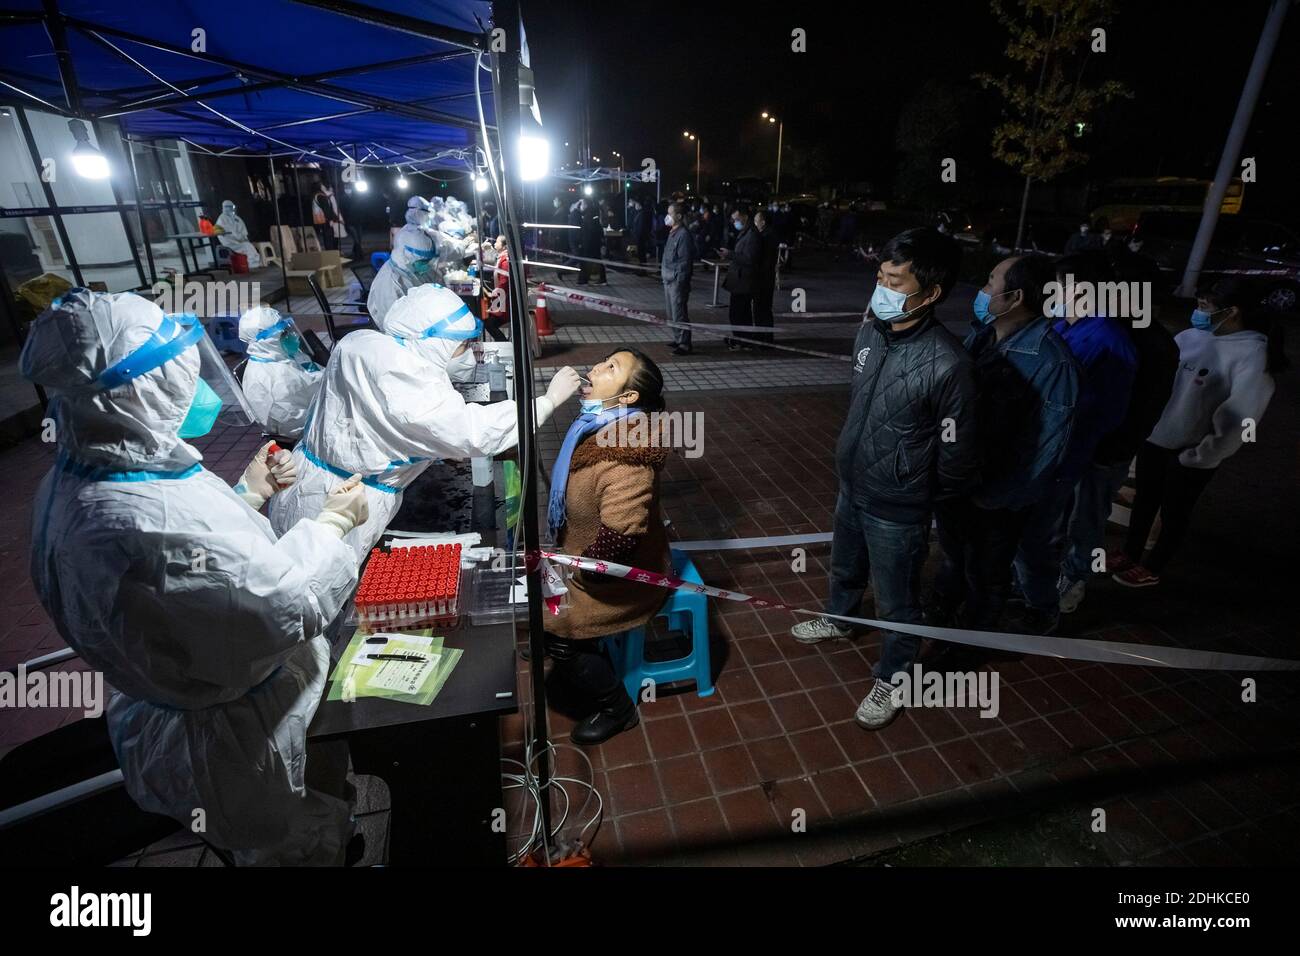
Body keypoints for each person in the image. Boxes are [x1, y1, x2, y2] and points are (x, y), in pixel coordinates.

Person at [23, 289, 370, 866]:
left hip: (197, 714)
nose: (195, 388)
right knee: (291, 850)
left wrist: (247, 494)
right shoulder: (141, 513)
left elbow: (183, 580)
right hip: (236, 738)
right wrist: (333, 524)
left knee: (306, 820)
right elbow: (282, 602)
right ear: (140, 390)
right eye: (176, 376)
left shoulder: (93, 475)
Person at [789, 228, 977, 730]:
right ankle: (841, 619)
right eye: (880, 277)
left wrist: (919, 490)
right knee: (846, 566)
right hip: (852, 483)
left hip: (900, 504)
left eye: (895, 281)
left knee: (898, 602)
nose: (882, 289)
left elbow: (957, 455)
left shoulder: (949, 363)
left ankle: (895, 676)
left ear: (930, 293)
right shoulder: (871, 331)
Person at [270, 283, 581, 559]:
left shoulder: (361, 344)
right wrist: (546, 402)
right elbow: (471, 431)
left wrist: (433, 445)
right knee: (318, 595)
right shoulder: (405, 380)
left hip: (306, 481)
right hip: (341, 508)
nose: (470, 355)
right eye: (461, 346)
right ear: (433, 342)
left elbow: (385, 428)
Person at [928, 255, 1079, 637]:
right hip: (960, 483)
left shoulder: (1052, 362)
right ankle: (946, 607)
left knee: (987, 574)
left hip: (996, 497)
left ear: (1014, 298)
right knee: (955, 557)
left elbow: (1047, 446)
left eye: (989, 282)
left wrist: (996, 497)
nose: (980, 291)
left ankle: (972, 635)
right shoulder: (981, 337)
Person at [1113, 279, 1285, 588]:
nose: (1197, 312)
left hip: (1190, 454)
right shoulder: (1189, 337)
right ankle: (1130, 551)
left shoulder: (1252, 354)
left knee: (1175, 511)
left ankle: (1155, 565)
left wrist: (1202, 455)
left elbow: (1242, 417)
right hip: (1156, 439)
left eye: (1204, 307)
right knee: (1145, 501)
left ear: (1231, 312)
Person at [545, 349, 671, 744]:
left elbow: (622, 536)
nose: (595, 368)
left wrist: (579, 573)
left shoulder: (628, 456)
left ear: (628, 398)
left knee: (558, 639)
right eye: (603, 361)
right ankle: (583, 645)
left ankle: (618, 709)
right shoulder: (597, 425)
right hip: (582, 553)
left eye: (611, 368)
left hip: (619, 577)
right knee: (543, 603)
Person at [1011, 252, 1136, 634]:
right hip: (1041, 450)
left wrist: (1065, 430)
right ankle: (1032, 585)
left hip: (1068, 453)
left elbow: (1109, 410)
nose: (1053, 291)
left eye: (1060, 285)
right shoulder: (1062, 324)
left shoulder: (1110, 339)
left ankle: (1058, 589)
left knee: (1059, 527)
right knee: (1037, 527)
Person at [1056, 287, 1178, 612]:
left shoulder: (1141, 342)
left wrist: (1110, 449)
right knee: (1068, 515)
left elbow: (1140, 407)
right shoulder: (1110, 330)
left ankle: (1074, 582)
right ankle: (1060, 574)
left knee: (1088, 520)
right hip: (1083, 447)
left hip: (1105, 452)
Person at [237, 306, 325, 439]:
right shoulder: (267, 380)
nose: (292, 335)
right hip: (310, 433)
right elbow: (294, 425)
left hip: (320, 408)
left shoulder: (282, 355)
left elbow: (312, 374)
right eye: (284, 333)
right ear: (266, 341)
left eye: (288, 329)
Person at [366, 223, 436, 326]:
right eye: (422, 261)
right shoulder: (390, 283)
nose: (426, 264)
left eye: (428, 260)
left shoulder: (408, 269)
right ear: (406, 256)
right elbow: (392, 322)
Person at [721, 205, 761, 350]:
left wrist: (730, 254)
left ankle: (744, 341)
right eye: (733, 220)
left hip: (744, 281)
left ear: (744, 217)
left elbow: (749, 259)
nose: (734, 222)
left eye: (736, 219)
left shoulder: (752, 235)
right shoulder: (745, 232)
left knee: (740, 313)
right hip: (739, 280)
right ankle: (741, 339)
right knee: (738, 312)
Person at [661, 203, 694, 356]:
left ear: (679, 216)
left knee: (679, 313)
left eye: (670, 213)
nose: (667, 217)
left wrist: (679, 281)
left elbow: (684, 262)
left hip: (676, 281)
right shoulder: (673, 232)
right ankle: (677, 338)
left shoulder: (683, 235)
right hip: (668, 279)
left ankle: (684, 344)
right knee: (671, 313)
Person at [751, 208, 780, 347]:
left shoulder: (767, 236)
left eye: (756, 220)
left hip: (764, 278)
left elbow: (764, 260)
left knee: (762, 308)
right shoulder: (767, 234)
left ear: (763, 222)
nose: (755, 223)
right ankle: (762, 335)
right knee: (761, 308)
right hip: (764, 277)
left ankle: (765, 338)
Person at [215, 200, 262, 268]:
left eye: (231, 207)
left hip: (239, 240)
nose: (230, 209)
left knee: (249, 246)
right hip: (229, 241)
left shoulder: (236, 218)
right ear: (224, 207)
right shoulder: (221, 219)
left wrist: (243, 237)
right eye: (228, 207)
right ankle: (252, 263)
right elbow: (227, 232)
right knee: (247, 246)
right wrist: (238, 238)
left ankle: (254, 262)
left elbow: (242, 228)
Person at [577, 198, 607, 285]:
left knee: (585, 261)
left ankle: (583, 280)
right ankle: (602, 279)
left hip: (589, 243)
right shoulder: (593, 213)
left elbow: (589, 231)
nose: (580, 206)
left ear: (585, 205)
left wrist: (583, 242)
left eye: (582, 204)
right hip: (595, 242)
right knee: (597, 260)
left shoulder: (588, 215)